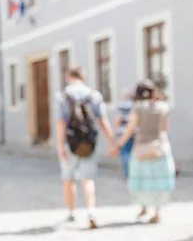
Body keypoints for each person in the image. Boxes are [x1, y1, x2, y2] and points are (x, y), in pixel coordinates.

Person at [56, 67, 116, 229]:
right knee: (88, 178)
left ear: (68, 77)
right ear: (83, 77)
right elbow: (103, 121)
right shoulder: (94, 95)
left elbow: (61, 122)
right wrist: (112, 142)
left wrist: (60, 145)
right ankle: (91, 211)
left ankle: (71, 211)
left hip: (71, 141)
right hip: (88, 141)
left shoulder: (63, 96)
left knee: (69, 179)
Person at [112, 79, 175, 224]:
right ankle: (157, 212)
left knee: (141, 179)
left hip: (141, 147)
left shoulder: (138, 107)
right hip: (160, 147)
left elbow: (130, 129)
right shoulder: (163, 106)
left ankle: (144, 207)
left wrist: (118, 145)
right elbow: (165, 129)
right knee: (159, 180)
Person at [113, 89, 135, 178]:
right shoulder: (135, 104)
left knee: (125, 152)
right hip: (134, 132)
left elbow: (119, 117)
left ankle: (128, 171)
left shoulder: (123, 104)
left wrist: (114, 129)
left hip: (123, 131)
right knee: (132, 152)